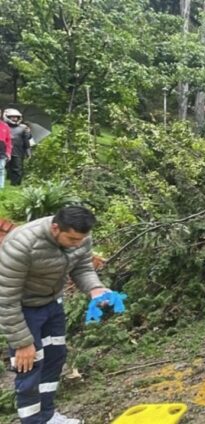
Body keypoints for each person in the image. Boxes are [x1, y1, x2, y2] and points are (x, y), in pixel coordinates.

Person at [0, 206, 110, 424]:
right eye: (71, 239)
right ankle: (33, 421)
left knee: (55, 357)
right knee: (30, 365)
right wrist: (22, 342)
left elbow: (82, 268)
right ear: (55, 228)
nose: (77, 244)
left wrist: (95, 289)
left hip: (52, 305)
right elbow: (6, 298)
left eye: (81, 239)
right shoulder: (22, 244)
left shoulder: (80, 237)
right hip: (23, 309)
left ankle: (48, 416)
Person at [3, 108, 32, 186]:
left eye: (16, 117)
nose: (15, 118)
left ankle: (15, 185)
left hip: (18, 151)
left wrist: (28, 152)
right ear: (7, 117)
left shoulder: (23, 128)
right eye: (12, 117)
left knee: (17, 169)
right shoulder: (3, 126)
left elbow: (26, 141)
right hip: (4, 151)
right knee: (3, 168)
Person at [0, 111, 11, 189]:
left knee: (1, 168)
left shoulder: (5, 126)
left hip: (2, 150)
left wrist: (8, 152)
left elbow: (8, 140)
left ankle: (1, 186)